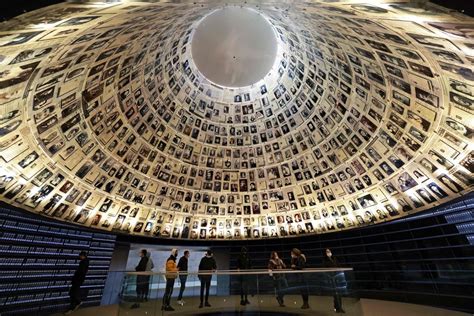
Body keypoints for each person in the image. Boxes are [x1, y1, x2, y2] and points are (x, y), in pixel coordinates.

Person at [323, 249, 345, 313]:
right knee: (336, 294)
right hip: (331, 279)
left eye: (329, 251)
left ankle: (338, 307)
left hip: (337, 277)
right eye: (327, 252)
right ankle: (338, 308)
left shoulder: (334, 258)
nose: (329, 253)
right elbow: (325, 270)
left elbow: (339, 266)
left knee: (338, 294)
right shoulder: (325, 261)